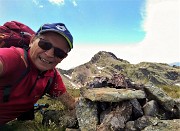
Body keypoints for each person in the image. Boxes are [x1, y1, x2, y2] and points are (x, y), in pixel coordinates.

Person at [0, 22, 76, 125]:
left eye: (59, 53)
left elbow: (71, 103)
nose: (49, 54)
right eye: (45, 44)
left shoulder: (52, 77)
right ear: (32, 41)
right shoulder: (14, 57)